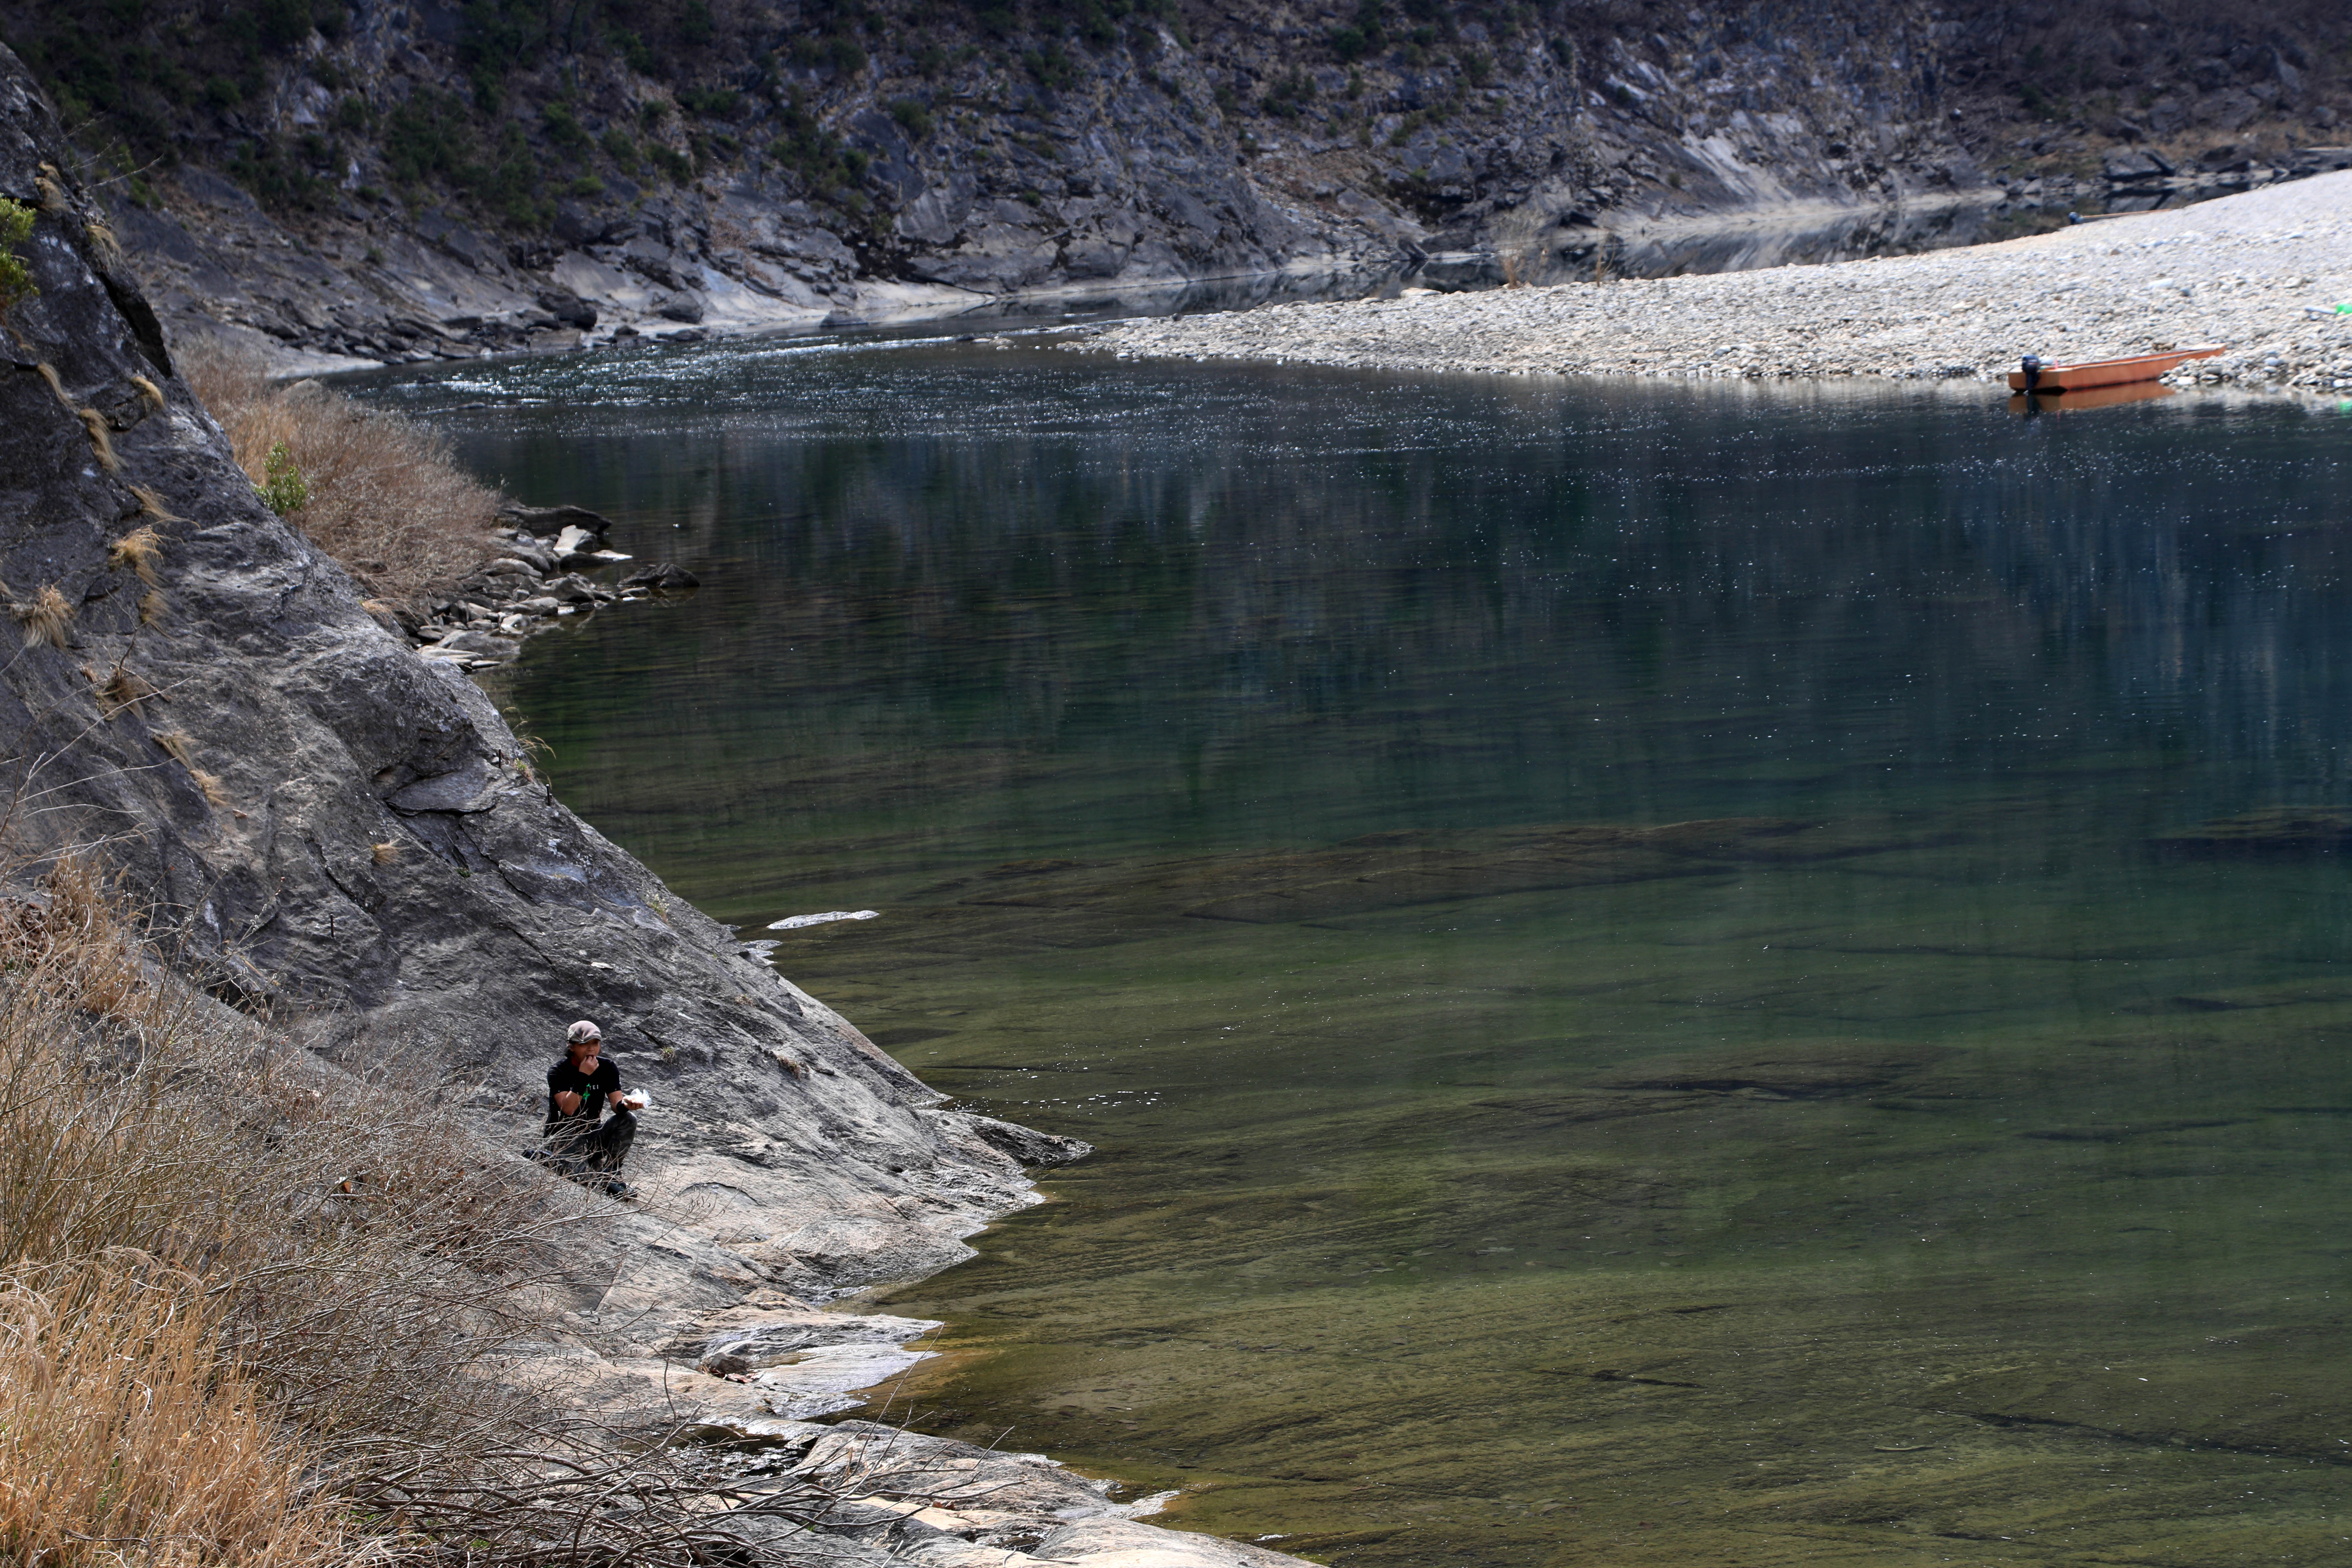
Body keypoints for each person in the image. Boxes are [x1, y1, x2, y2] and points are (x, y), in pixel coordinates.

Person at [542, 1020, 638, 1198]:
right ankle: (558, 1161)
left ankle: (611, 1174)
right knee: (586, 1180)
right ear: (572, 1047)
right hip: (562, 1140)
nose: (591, 1049)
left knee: (629, 1119)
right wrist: (584, 1075)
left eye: (595, 1043)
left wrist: (627, 1105)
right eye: (584, 1044)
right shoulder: (558, 1071)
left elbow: (617, 1105)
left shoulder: (608, 1068)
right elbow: (568, 1109)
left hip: (591, 1139)